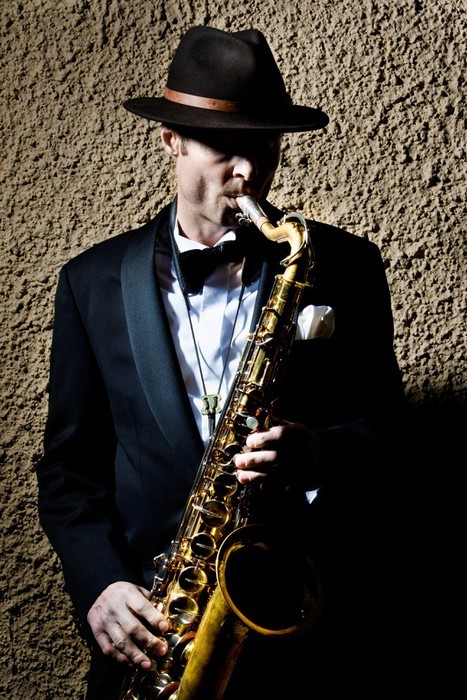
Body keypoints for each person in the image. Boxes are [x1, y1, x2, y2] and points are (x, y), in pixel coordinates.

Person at [36, 26, 405, 700]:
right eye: (225, 148)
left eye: (264, 148)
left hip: (303, 636)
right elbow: (69, 470)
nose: (248, 172)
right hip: (156, 636)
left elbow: (388, 435)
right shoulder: (89, 283)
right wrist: (101, 584)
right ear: (169, 140)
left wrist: (319, 456)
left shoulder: (345, 266)